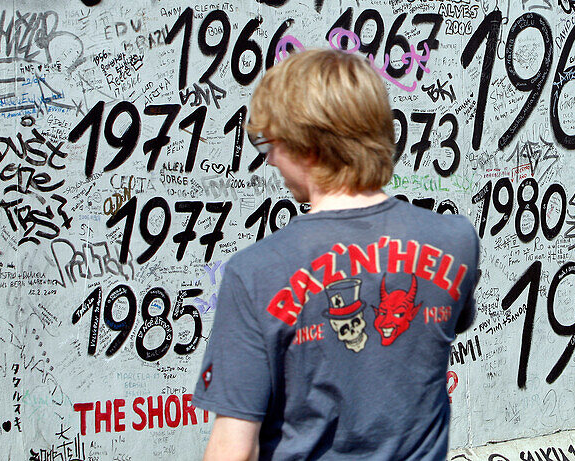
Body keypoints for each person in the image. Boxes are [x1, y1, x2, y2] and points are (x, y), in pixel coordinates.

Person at [193, 48, 480, 460]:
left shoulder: (254, 274)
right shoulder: (455, 241)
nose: (270, 158)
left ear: (309, 147)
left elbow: (233, 449)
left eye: (270, 142)